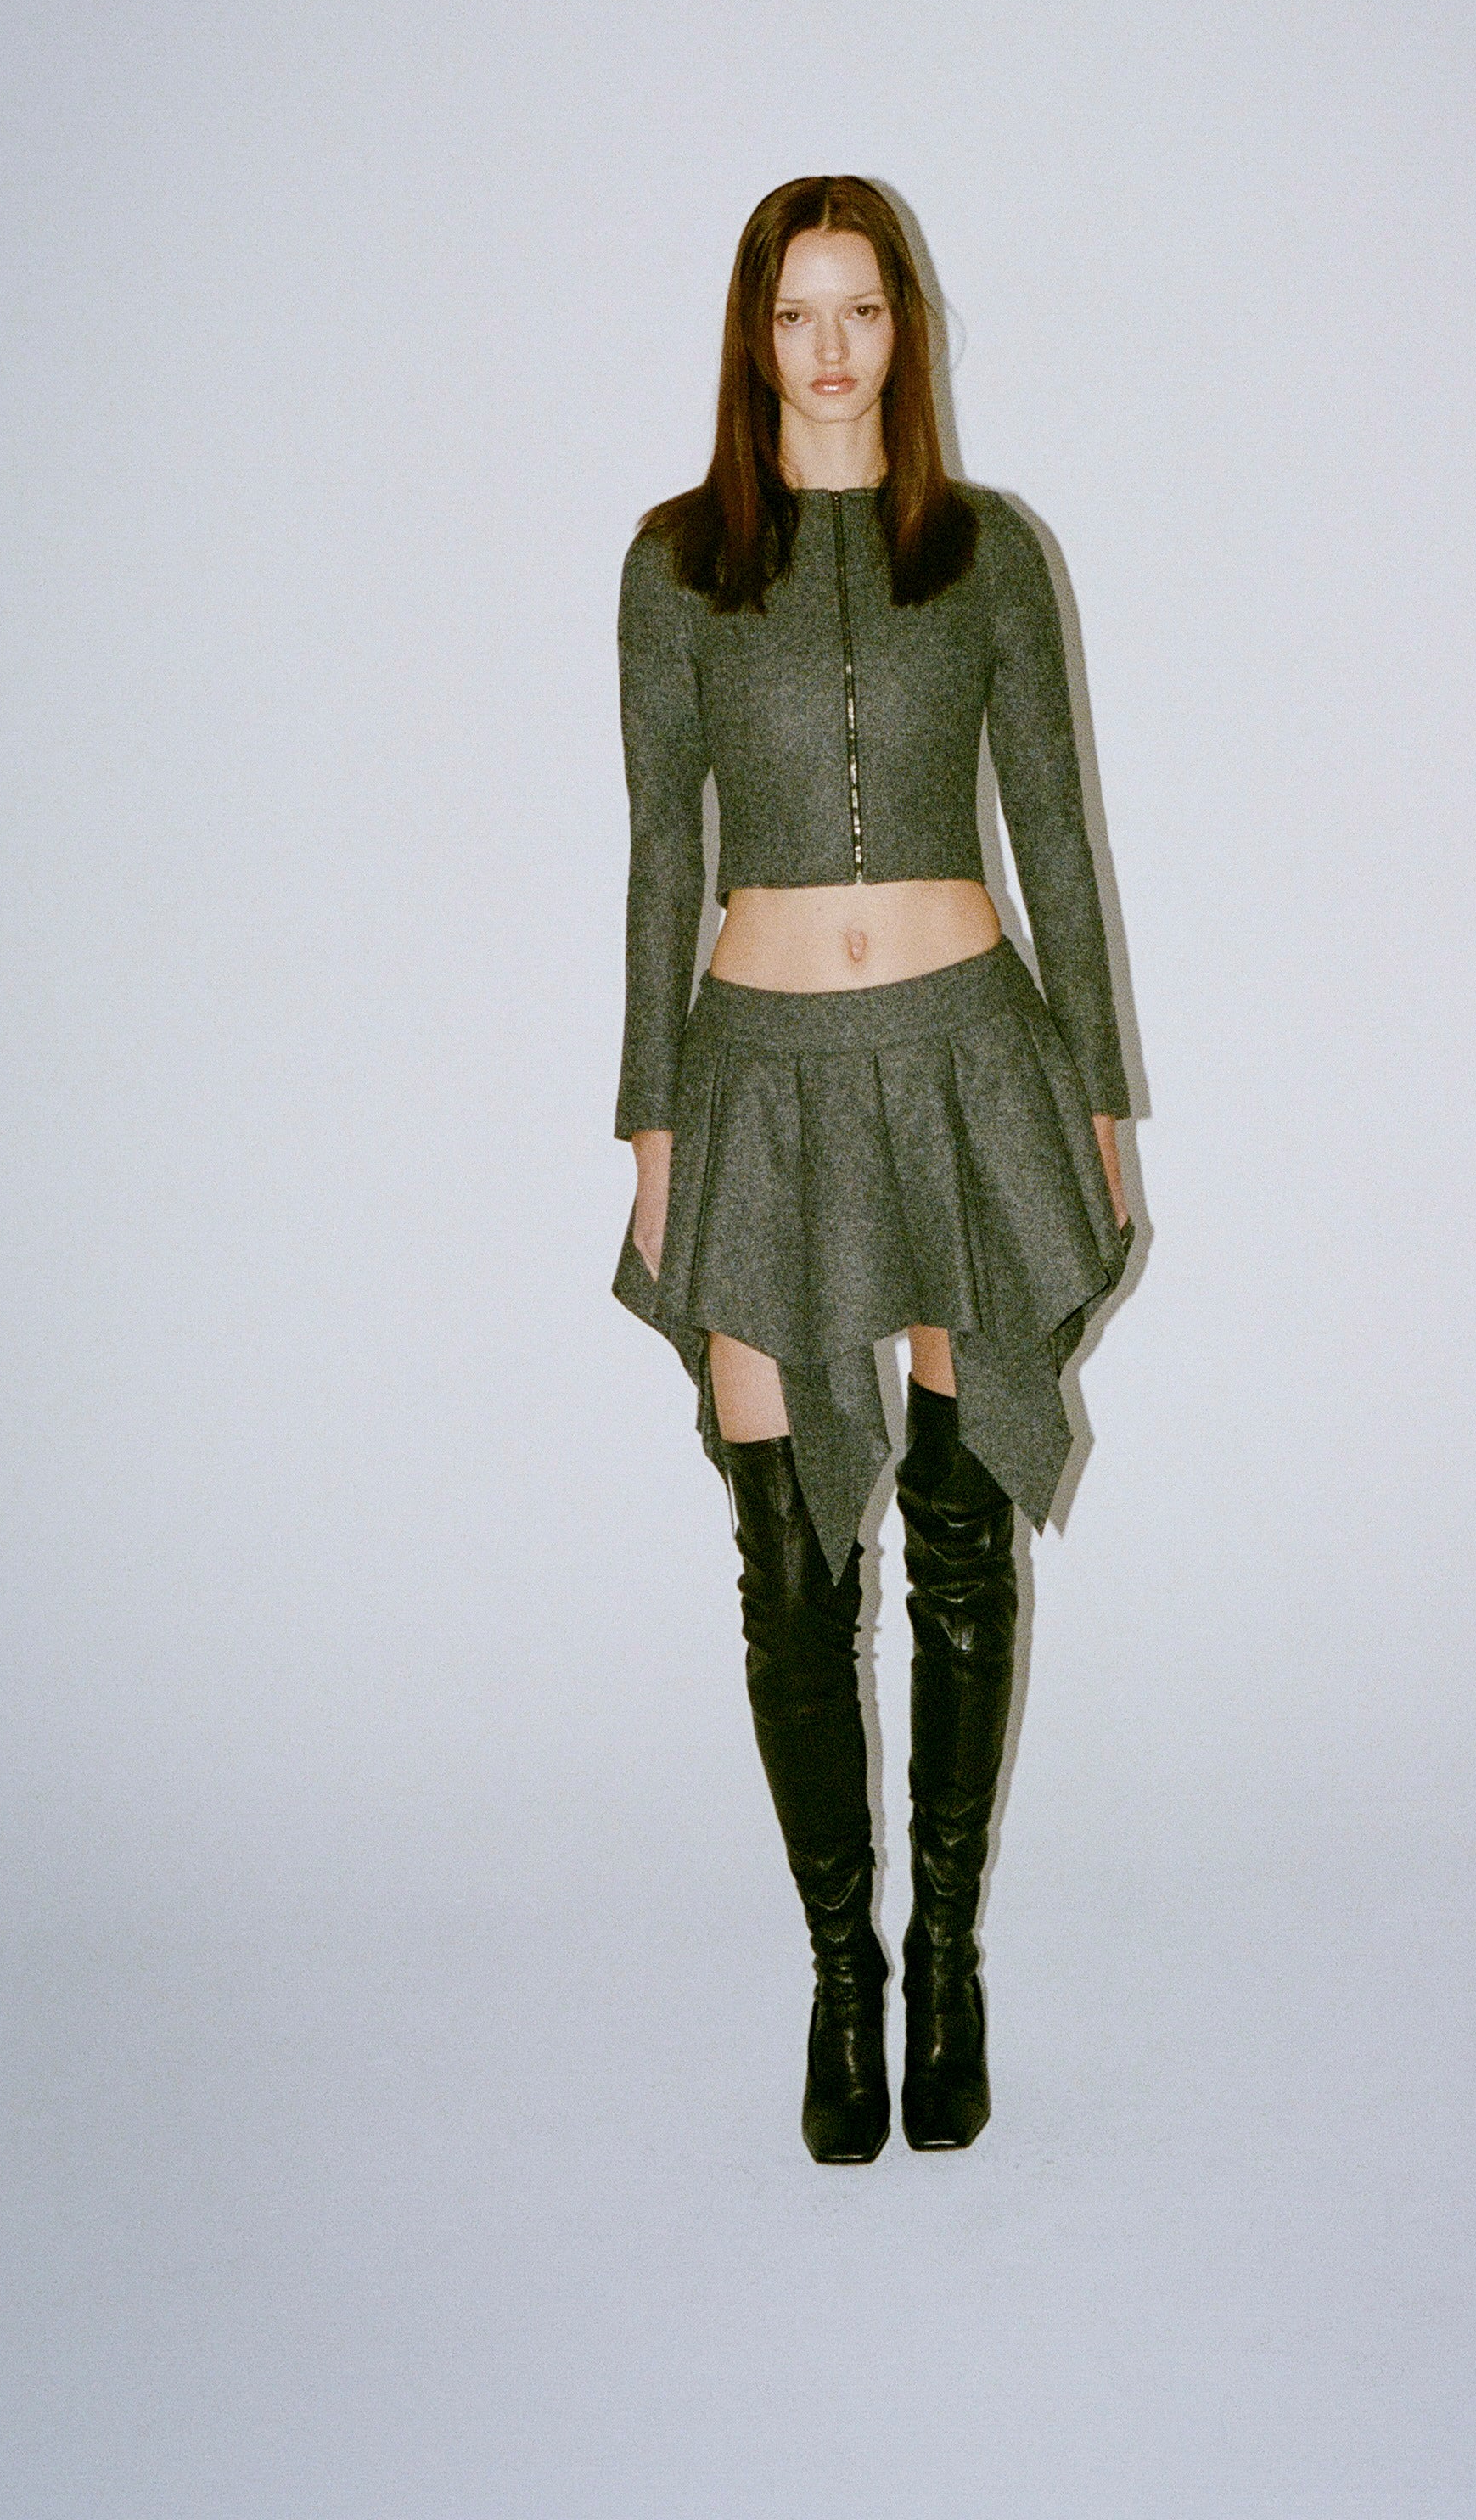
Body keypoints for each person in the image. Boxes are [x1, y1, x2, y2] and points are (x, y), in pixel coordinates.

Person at [612, 175, 1135, 2163]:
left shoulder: (988, 554)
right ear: (754, 341)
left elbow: (1056, 836)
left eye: (861, 309)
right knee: (788, 1564)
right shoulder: (678, 565)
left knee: (958, 1527)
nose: (830, 348)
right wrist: (651, 1125)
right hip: (759, 1084)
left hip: (965, 1067)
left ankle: (952, 1966)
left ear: (905, 331)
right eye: (795, 313)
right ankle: (844, 1974)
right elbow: (661, 855)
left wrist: (1098, 1097)